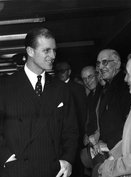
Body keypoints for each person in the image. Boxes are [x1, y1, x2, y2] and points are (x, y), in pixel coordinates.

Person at [0, 27, 78, 177]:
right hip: (16, 170)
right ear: (30, 51)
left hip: (53, 170)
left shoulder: (61, 88)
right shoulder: (5, 86)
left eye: (54, 50)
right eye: (46, 50)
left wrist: (67, 159)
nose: (53, 55)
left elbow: (71, 130)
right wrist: (6, 158)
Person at [81, 49, 131, 174]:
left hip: (121, 153)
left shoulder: (124, 86)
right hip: (108, 150)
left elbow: (129, 124)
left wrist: (111, 147)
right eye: (98, 63)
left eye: (105, 62)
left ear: (117, 64)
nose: (100, 67)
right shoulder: (108, 87)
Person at [55, 61, 87, 177]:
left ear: (69, 72)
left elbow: (82, 112)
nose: (60, 74)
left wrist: (82, 133)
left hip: (76, 132)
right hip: (60, 134)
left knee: (76, 165)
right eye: (57, 71)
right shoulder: (54, 88)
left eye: (62, 71)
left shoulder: (77, 88)